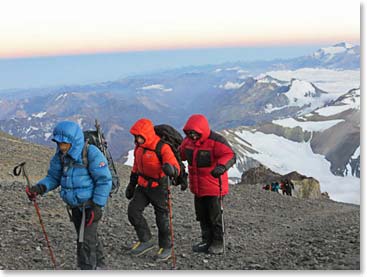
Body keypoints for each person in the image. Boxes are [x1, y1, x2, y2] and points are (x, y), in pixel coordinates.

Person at [25, 121, 112, 270]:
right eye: (59, 143)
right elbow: (53, 177)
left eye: (64, 143)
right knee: (87, 237)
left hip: (90, 206)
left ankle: (87, 269)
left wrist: (97, 206)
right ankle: (101, 266)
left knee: (84, 242)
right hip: (75, 206)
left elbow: (104, 180)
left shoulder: (90, 153)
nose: (61, 147)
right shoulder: (60, 156)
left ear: (74, 141)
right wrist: (39, 188)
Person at [179, 114, 236, 255]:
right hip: (198, 188)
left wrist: (222, 167)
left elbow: (230, 155)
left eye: (194, 133)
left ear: (201, 130)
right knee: (202, 215)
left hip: (214, 187)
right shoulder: (188, 142)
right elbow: (180, 154)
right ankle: (206, 241)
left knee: (214, 216)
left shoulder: (216, 141)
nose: (192, 136)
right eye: (190, 133)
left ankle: (218, 242)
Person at [125, 118, 180, 261]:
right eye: (135, 136)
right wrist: (131, 185)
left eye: (139, 136)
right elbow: (136, 167)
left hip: (159, 187)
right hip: (142, 186)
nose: (137, 139)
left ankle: (166, 247)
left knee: (162, 219)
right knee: (133, 212)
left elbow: (175, 167)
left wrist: (172, 170)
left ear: (147, 134)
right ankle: (146, 240)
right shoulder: (139, 148)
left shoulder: (162, 147)